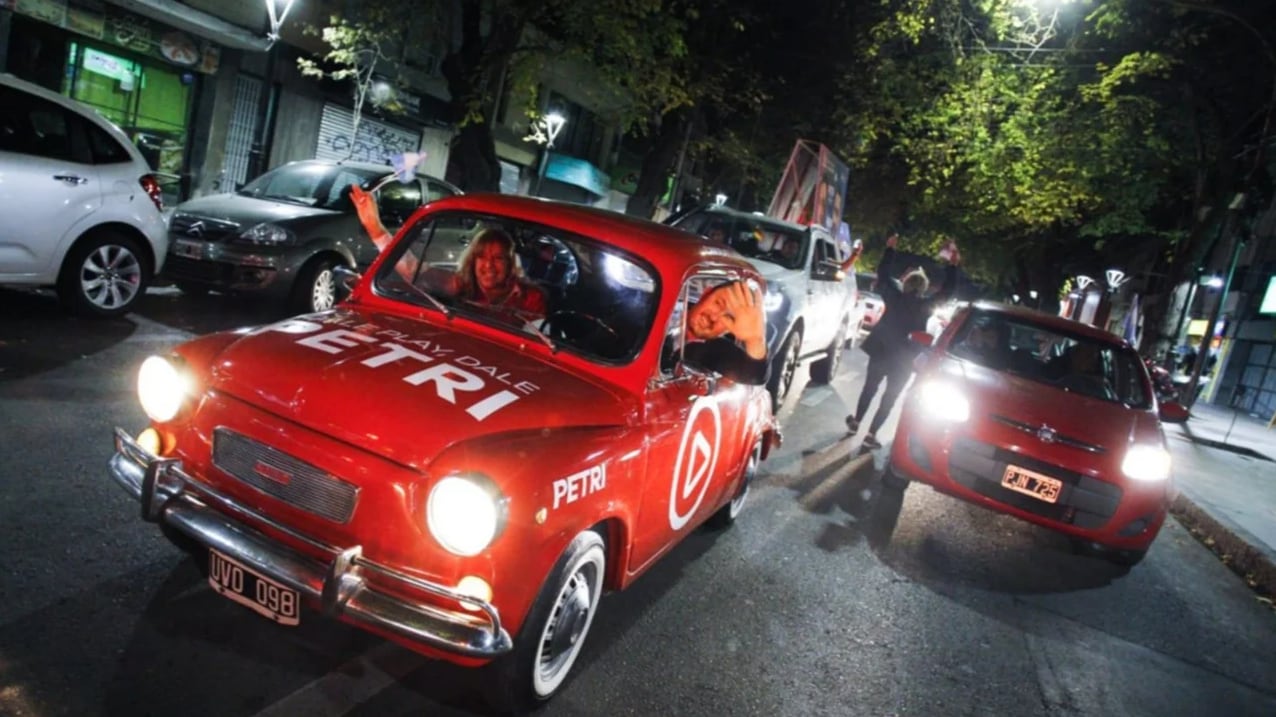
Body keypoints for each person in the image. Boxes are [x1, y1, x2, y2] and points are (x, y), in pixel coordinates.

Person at [350, 185, 547, 321]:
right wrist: (375, 228)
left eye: (498, 259)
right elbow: (412, 270)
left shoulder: (531, 298)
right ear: (473, 261)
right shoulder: (461, 284)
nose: (488, 265)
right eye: (482, 257)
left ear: (510, 263)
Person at [846, 233, 960, 449]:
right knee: (891, 396)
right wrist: (953, 266)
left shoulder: (894, 296)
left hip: (881, 350)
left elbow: (884, 274)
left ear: (906, 284)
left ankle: (856, 422)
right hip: (906, 356)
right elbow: (947, 292)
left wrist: (890, 249)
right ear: (924, 288)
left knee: (870, 387)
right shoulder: (925, 306)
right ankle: (871, 433)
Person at [668, 279, 769, 385]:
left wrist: (754, 340)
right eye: (718, 303)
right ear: (706, 294)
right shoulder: (661, 305)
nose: (714, 317)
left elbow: (754, 376)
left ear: (731, 329)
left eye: (729, 317)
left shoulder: (715, 352)